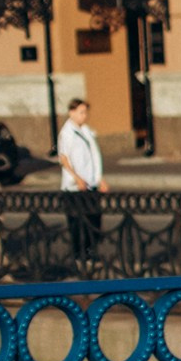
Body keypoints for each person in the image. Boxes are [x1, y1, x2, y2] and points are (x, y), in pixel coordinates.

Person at [56, 97, 107, 265]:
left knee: (94, 220)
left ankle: (91, 252)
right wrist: (77, 178)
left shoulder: (86, 131)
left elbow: (94, 157)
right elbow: (64, 158)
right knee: (78, 223)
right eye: (81, 112)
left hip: (90, 184)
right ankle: (79, 256)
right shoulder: (67, 133)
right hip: (74, 188)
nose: (84, 116)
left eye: (85, 112)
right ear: (71, 113)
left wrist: (100, 179)